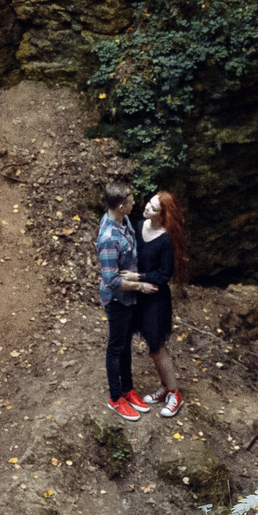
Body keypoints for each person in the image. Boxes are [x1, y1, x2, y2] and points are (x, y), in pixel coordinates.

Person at [123, 190, 189, 419]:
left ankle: (174, 393)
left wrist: (138, 278)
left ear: (163, 215)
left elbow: (164, 274)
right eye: (148, 204)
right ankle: (165, 387)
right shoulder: (140, 225)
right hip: (139, 295)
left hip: (155, 298)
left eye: (153, 208)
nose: (147, 208)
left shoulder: (166, 239)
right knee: (152, 347)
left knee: (157, 347)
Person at [95, 180, 156, 421]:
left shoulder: (123, 220)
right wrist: (140, 285)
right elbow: (111, 280)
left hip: (129, 299)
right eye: (130, 200)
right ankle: (115, 398)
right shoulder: (109, 238)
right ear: (121, 206)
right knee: (116, 347)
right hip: (117, 301)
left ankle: (128, 389)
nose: (134, 202)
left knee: (125, 344)